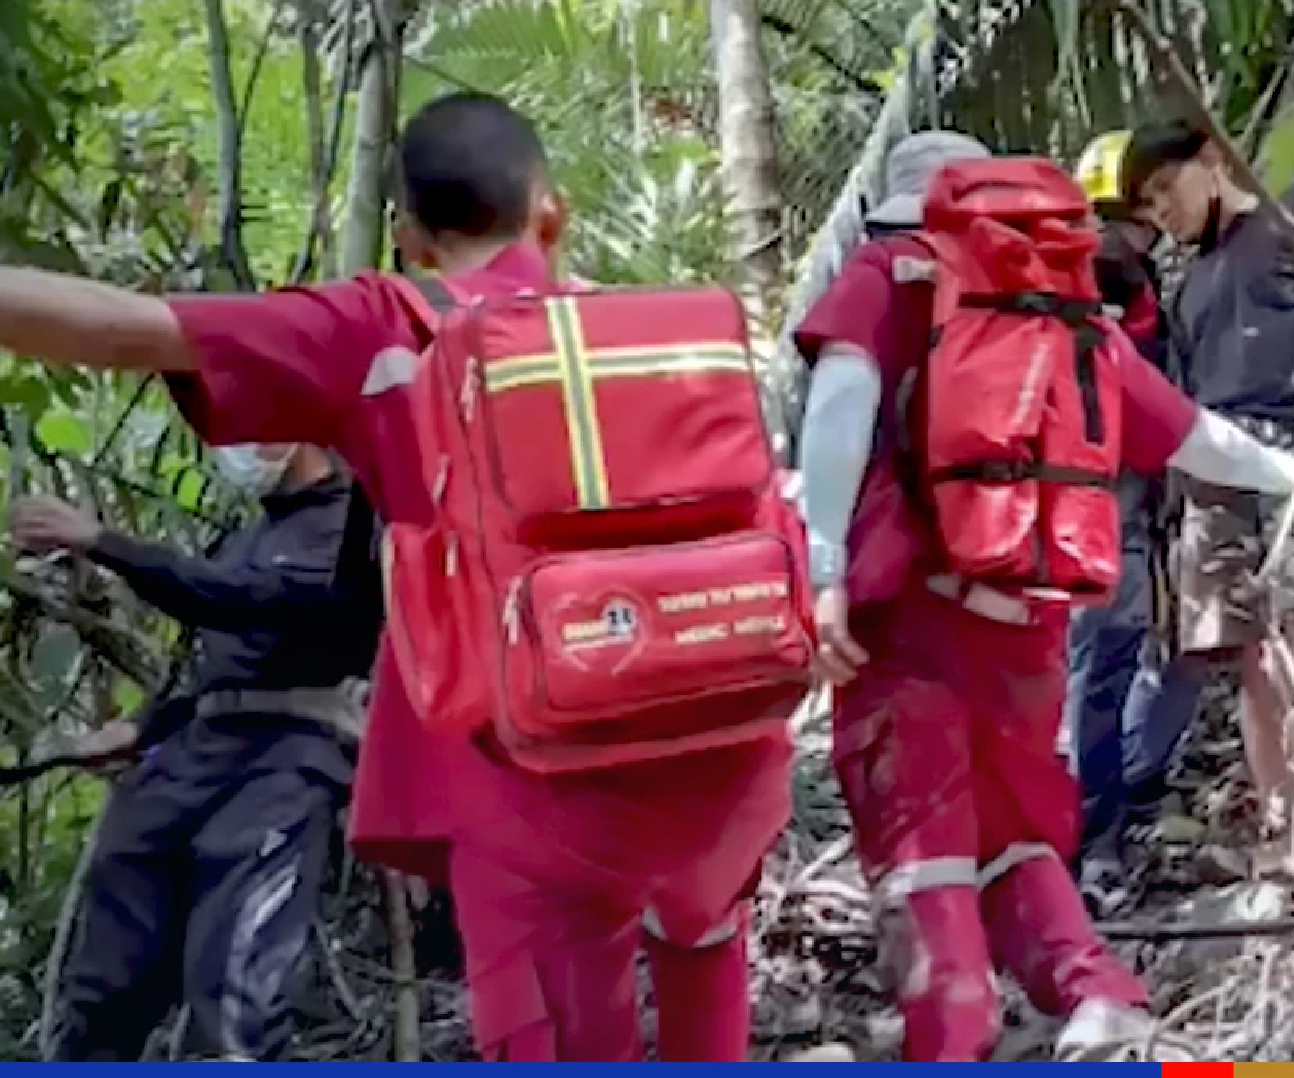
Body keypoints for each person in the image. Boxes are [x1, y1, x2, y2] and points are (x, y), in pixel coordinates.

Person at [0, 92, 789, 1061]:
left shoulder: (383, 325)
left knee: (554, 1012)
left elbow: (124, 328)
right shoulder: (656, 331)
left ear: (409, 237)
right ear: (553, 210)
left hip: (535, 770)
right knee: (702, 953)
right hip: (718, 731)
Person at [793, 130, 1294, 1061]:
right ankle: (1097, 1001)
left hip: (914, 625)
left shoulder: (890, 274)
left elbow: (843, 397)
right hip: (1030, 621)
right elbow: (1190, 438)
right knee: (1018, 834)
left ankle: (956, 1030)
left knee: (922, 838)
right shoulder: (1063, 304)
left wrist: (819, 570)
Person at [18, 444, 379, 1061]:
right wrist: (143, 727)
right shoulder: (247, 535)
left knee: (237, 975)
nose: (230, 443)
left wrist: (101, 540)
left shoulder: (351, 526)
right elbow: (213, 660)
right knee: (107, 972)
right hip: (195, 751)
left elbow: (251, 598)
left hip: (289, 754)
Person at [1121, 120, 1294, 868]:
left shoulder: (1292, 218)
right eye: (1149, 204)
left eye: (1166, 189)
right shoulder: (1185, 279)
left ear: (1210, 162)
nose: (1162, 212)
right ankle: (1286, 823)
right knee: (1255, 658)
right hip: (1219, 471)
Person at [1065, 129, 1204, 911]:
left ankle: (1117, 796)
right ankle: (1096, 836)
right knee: (1105, 666)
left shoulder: (1129, 276)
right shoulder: (1107, 275)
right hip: (1108, 505)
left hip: (1123, 500)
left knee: (1122, 663)